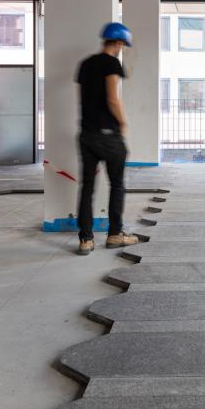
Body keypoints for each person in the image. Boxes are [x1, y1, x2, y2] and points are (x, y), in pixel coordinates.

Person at [75, 22, 139, 256]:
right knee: (117, 185)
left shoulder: (85, 64)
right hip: (109, 136)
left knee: (87, 187)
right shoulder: (112, 63)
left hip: (86, 135)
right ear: (120, 43)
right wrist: (122, 123)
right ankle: (114, 234)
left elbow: (82, 98)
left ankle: (86, 240)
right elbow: (112, 97)